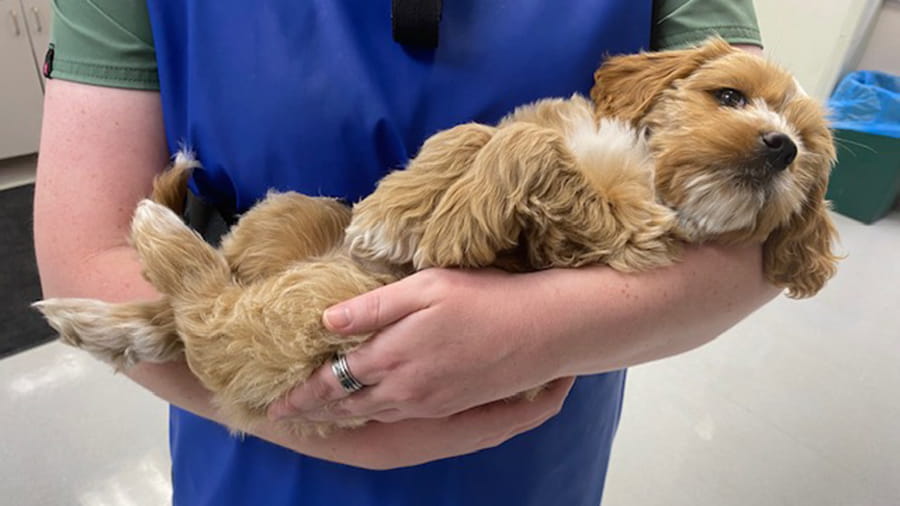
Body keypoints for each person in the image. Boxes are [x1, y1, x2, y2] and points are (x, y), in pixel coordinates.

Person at [34, 1, 775, 504]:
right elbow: (86, 251)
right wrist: (303, 413)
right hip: (259, 411)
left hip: (531, 423)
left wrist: (540, 330)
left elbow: (774, 220)